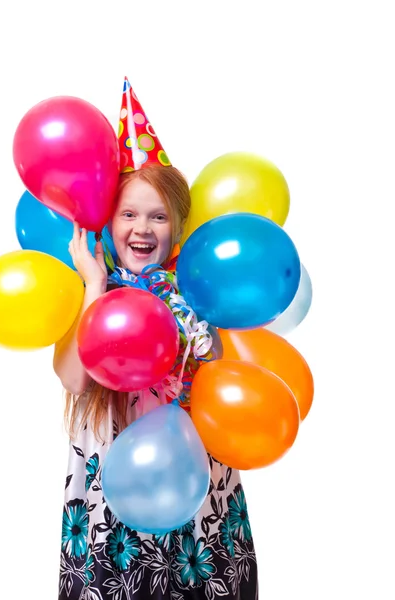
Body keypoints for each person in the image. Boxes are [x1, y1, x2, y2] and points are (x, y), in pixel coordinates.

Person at [53, 78, 258, 600]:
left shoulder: (194, 290)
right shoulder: (89, 288)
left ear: (176, 225)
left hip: (193, 477)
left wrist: (204, 344)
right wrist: (95, 287)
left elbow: (220, 379)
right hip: (114, 483)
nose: (142, 228)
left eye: (157, 215)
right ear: (108, 220)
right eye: (128, 213)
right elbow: (74, 377)